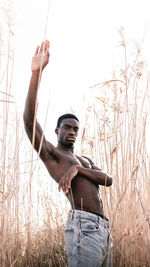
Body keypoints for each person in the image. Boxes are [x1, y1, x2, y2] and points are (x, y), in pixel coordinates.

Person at [23, 40, 113, 267]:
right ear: (57, 130)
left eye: (75, 129)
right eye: (67, 127)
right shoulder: (53, 155)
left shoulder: (84, 160)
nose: (72, 132)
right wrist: (37, 74)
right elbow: (29, 122)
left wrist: (77, 169)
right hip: (84, 228)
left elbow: (108, 180)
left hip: (104, 229)